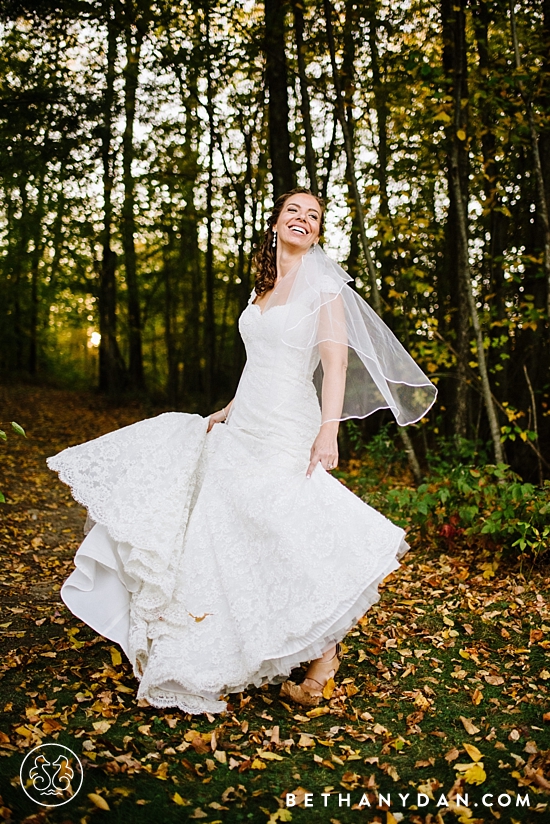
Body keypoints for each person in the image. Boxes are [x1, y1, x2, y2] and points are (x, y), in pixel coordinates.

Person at [47, 188, 436, 715]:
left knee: (282, 526)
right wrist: (228, 408)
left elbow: (336, 365)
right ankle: (272, 639)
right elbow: (260, 362)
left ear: (318, 232)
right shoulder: (264, 289)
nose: (302, 220)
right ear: (275, 223)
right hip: (246, 419)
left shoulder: (325, 288)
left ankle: (323, 652)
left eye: (314, 216)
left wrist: (328, 432)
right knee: (230, 527)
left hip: (289, 423)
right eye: (293, 212)